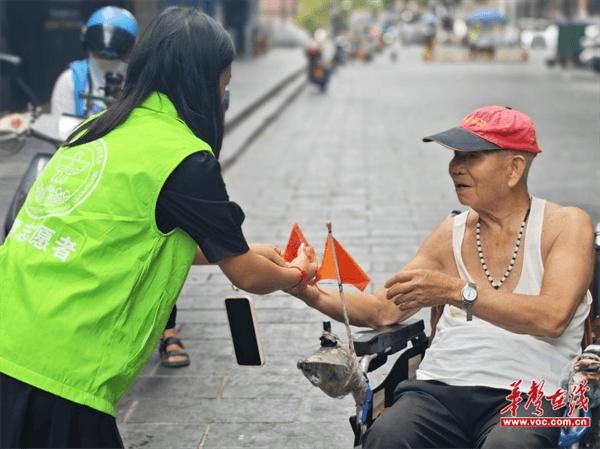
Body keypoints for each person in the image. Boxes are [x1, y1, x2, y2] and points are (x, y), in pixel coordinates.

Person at [0, 7, 316, 448]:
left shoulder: (94, 129)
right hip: (62, 368)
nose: (225, 94)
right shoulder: (184, 158)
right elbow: (246, 275)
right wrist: (298, 273)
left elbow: (144, 227)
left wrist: (250, 248)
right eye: (225, 82)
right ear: (204, 82)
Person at [290, 105, 594, 448]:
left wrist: (457, 291)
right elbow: (382, 310)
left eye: (471, 156)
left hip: (529, 394)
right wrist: (306, 289)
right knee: (387, 436)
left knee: (509, 445)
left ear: (514, 168)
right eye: (454, 156)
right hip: (439, 389)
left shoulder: (565, 225)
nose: (455, 168)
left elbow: (552, 317)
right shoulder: (450, 234)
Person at [50, 6, 138, 118]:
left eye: (118, 43)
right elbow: (60, 127)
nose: (106, 54)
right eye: (98, 41)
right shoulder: (70, 80)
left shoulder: (139, 81)